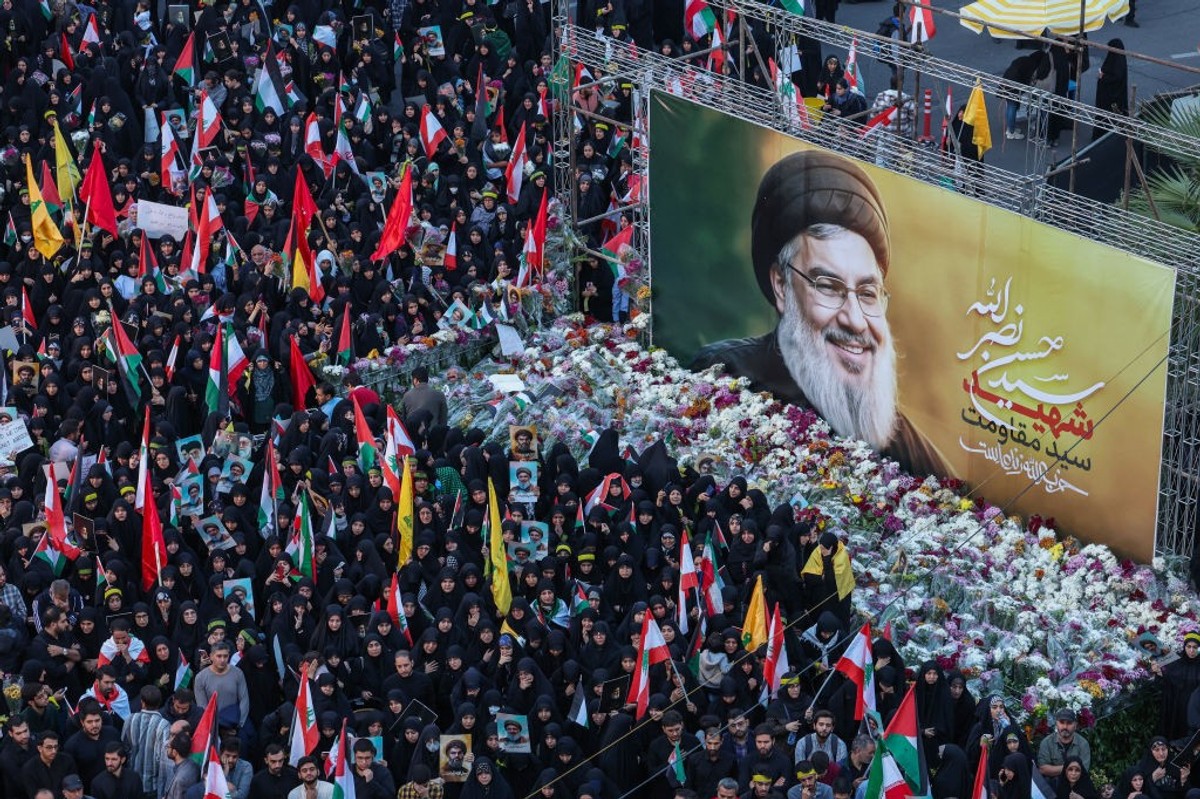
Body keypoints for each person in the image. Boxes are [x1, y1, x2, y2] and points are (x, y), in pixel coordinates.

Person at [690, 151, 948, 479]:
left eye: (868, 293)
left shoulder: (916, 459)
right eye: (828, 286)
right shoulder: (725, 374)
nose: (855, 320)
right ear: (782, 286)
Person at [1037, 709, 1091, 778]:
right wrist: (1069, 767)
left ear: (1075, 725)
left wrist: (1055, 770)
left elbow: (1083, 770)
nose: (1065, 727)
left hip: (1075, 782)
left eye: (1069, 723)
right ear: (1056, 724)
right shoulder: (1047, 742)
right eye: (1062, 722)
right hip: (1052, 783)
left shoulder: (1083, 744)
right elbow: (1043, 769)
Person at [1093, 38, 1129, 140]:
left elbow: (1116, 77)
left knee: (1107, 115)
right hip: (1110, 92)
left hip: (1111, 95)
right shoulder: (1118, 59)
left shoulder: (1117, 62)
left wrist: (1103, 77)